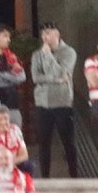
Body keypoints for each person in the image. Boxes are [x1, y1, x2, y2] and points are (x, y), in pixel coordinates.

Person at [30, 22, 78, 178]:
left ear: (57, 34)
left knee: (68, 142)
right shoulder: (37, 54)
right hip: (42, 103)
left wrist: (48, 55)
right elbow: (36, 77)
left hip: (63, 102)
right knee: (44, 143)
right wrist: (56, 79)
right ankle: (45, 177)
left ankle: (74, 177)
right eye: (43, 34)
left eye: (48, 33)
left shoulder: (69, 52)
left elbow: (63, 72)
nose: (45, 37)